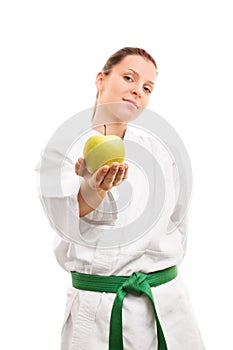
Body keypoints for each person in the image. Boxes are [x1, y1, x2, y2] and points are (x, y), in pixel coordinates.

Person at [36, 47, 205, 349]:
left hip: (164, 306)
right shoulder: (59, 153)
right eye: (129, 77)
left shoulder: (163, 153)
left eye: (147, 88)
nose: (138, 91)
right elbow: (63, 221)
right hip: (97, 313)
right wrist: (92, 191)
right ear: (101, 79)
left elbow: (179, 222)